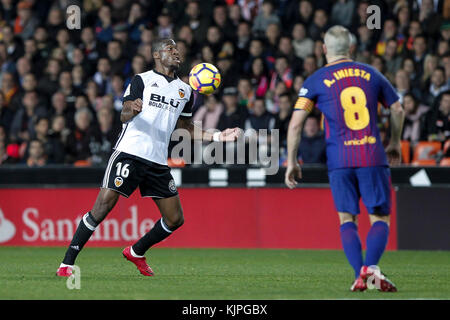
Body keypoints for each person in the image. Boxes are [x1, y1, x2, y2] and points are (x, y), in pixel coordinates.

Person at [56, 38, 240, 277]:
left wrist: (218, 137)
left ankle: (136, 251)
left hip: (157, 161)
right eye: (169, 49)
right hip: (130, 154)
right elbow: (123, 114)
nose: (175, 53)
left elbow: (184, 129)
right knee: (102, 208)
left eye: (177, 49)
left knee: (175, 219)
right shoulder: (141, 80)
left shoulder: (185, 91)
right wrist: (131, 109)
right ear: (156, 55)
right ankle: (66, 264)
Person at [285, 26, 405, 292]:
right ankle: (370, 268)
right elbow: (397, 108)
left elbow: (295, 125)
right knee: (380, 218)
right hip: (371, 155)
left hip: (339, 159)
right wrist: (395, 141)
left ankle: (359, 274)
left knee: (347, 219)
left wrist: (292, 160)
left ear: (324, 49)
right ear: (351, 48)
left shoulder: (315, 80)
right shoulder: (372, 73)